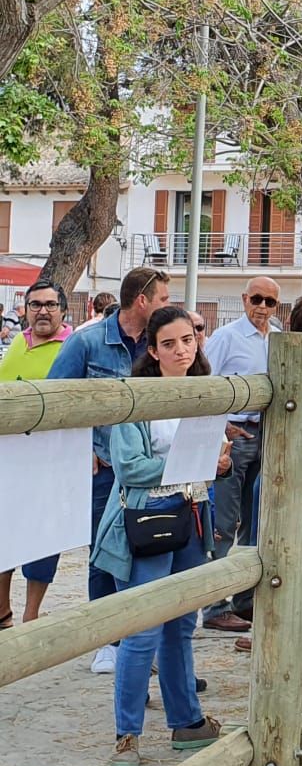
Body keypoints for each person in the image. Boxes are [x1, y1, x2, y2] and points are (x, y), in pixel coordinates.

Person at [91, 306, 224, 766]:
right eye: (169, 343)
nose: (181, 349)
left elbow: (210, 456)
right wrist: (198, 464)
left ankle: (186, 721)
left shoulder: (206, 392)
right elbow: (130, 469)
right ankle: (126, 734)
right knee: (143, 628)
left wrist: (215, 463)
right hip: (147, 518)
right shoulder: (135, 395)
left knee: (181, 624)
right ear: (152, 350)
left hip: (193, 512)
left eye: (187, 339)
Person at [48, 267, 172, 673]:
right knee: (104, 552)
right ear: (143, 301)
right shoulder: (85, 343)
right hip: (103, 467)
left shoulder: (158, 346)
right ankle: (107, 640)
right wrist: (80, 448)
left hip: (148, 467)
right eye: (164, 300)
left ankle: (138, 640)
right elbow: (53, 401)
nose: (168, 306)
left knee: (147, 548)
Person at [199, 277, 282, 644]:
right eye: (257, 299)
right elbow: (206, 385)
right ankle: (214, 606)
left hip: (265, 435)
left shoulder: (276, 336)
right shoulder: (225, 338)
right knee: (223, 522)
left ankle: (245, 598)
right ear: (245, 299)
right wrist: (222, 428)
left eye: (270, 302)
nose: (262, 307)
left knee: (255, 521)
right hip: (235, 435)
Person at [0, 281, 74, 626]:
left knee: (43, 538)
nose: (42, 311)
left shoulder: (73, 345)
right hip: (10, 458)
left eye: (50, 304)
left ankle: (32, 615)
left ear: (63, 309)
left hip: (51, 460)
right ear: (26, 309)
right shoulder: (18, 341)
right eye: (35, 305)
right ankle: (3, 611)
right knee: (5, 533)